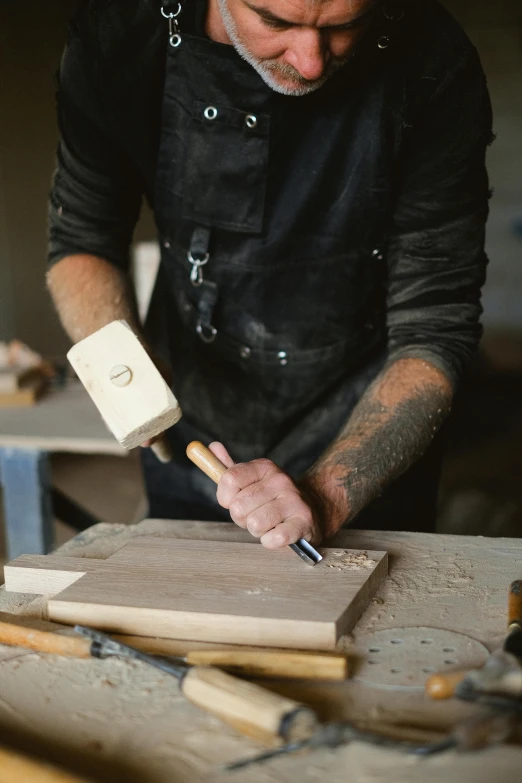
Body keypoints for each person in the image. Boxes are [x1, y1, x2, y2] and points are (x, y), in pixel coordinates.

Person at [47, 0, 492, 549]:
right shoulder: (119, 40)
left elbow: (435, 327)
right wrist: (133, 391)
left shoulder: (435, 63)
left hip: (366, 435)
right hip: (194, 428)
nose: (310, 63)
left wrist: (329, 493)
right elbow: (81, 239)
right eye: (277, 23)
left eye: (345, 27)